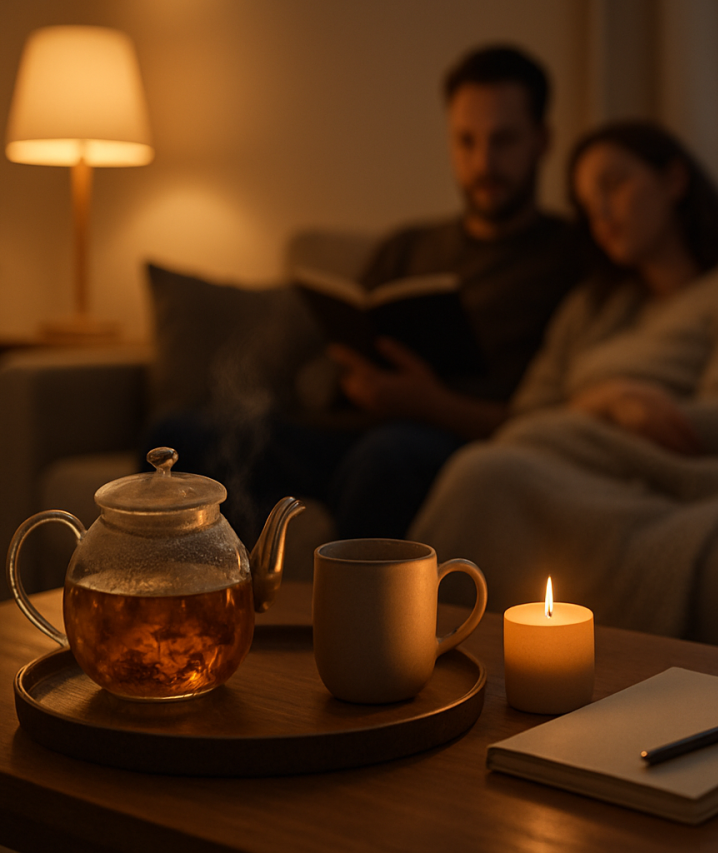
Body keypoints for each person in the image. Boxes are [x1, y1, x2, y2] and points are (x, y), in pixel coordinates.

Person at [410, 120, 718, 635]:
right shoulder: (592, 306)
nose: (603, 215)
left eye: (614, 186)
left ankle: (422, 643)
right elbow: (526, 417)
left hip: (668, 474)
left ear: (674, 180)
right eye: (589, 206)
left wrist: (635, 414)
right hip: (564, 459)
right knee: (484, 468)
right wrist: (607, 401)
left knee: (485, 475)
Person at [146, 45, 583, 544]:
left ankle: (351, 615)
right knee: (175, 439)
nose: (483, 162)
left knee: (384, 459)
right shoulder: (408, 246)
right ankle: (225, 592)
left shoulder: (572, 257)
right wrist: (350, 373)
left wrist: (429, 402)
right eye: (466, 141)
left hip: (444, 441)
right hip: (340, 433)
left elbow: (549, 416)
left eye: (503, 141)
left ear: (543, 141)